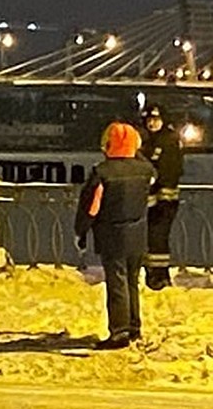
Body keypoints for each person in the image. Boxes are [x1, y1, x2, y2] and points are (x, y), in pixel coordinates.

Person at [74, 120, 155, 349]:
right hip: (138, 234)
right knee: (131, 281)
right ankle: (133, 326)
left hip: (112, 235)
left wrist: (81, 230)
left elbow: (91, 208)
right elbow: (151, 171)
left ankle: (119, 332)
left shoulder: (103, 172)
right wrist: (135, 153)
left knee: (117, 283)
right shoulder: (144, 170)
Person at [141, 104, 184, 289]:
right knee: (152, 238)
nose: (152, 124)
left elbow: (170, 171)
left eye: (156, 120)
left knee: (158, 238)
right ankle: (155, 274)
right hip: (152, 201)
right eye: (149, 120)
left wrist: (162, 197)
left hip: (164, 201)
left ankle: (159, 277)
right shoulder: (149, 140)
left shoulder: (168, 140)